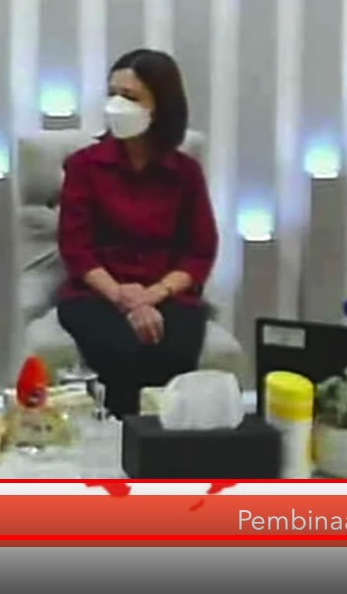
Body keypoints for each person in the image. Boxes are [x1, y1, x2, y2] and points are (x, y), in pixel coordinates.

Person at [54, 49, 219, 418]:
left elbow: (199, 252)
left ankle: (164, 443)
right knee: (122, 350)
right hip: (97, 293)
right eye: (112, 94)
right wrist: (123, 296)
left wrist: (152, 296)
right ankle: (119, 438)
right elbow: (76, 248)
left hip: (168, 294)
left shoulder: (185, 173)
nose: (116, 105)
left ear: (159, 107)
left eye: (130, 97)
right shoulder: (85, 166)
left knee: (172, 351)